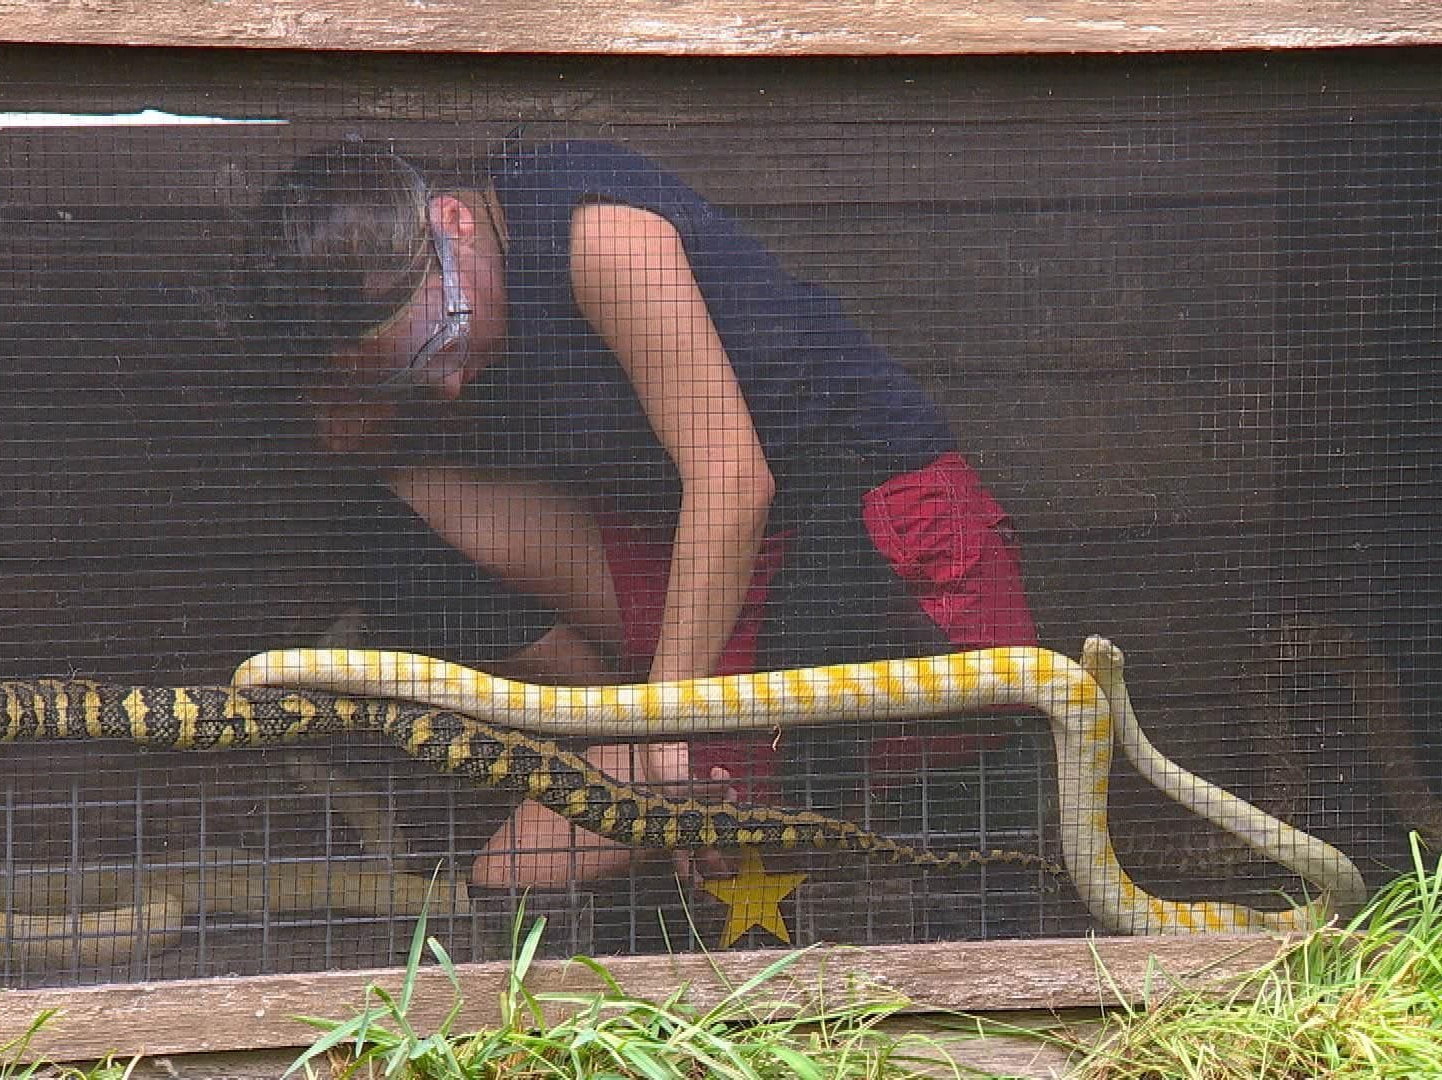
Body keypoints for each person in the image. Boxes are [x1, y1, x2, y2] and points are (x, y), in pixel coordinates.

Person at [259, 139, 1040, 889]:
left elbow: (733, 481)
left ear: (454, 223)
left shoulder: (605, 238)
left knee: (519, 874)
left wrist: (665, 729)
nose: (449, 386)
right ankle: (628, 718)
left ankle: (670, 736)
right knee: (400, 513)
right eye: (413, 374)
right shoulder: (473, 294)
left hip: (865, 550)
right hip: (701, 560)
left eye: (442, 344)